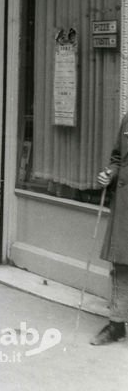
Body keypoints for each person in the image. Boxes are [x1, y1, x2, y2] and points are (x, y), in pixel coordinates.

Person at [91, 113, 128, 345]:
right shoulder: (127, 119)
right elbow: (117, 157)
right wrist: (110, 173)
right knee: (121, 264)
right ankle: (116, 325)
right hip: (125, 204)